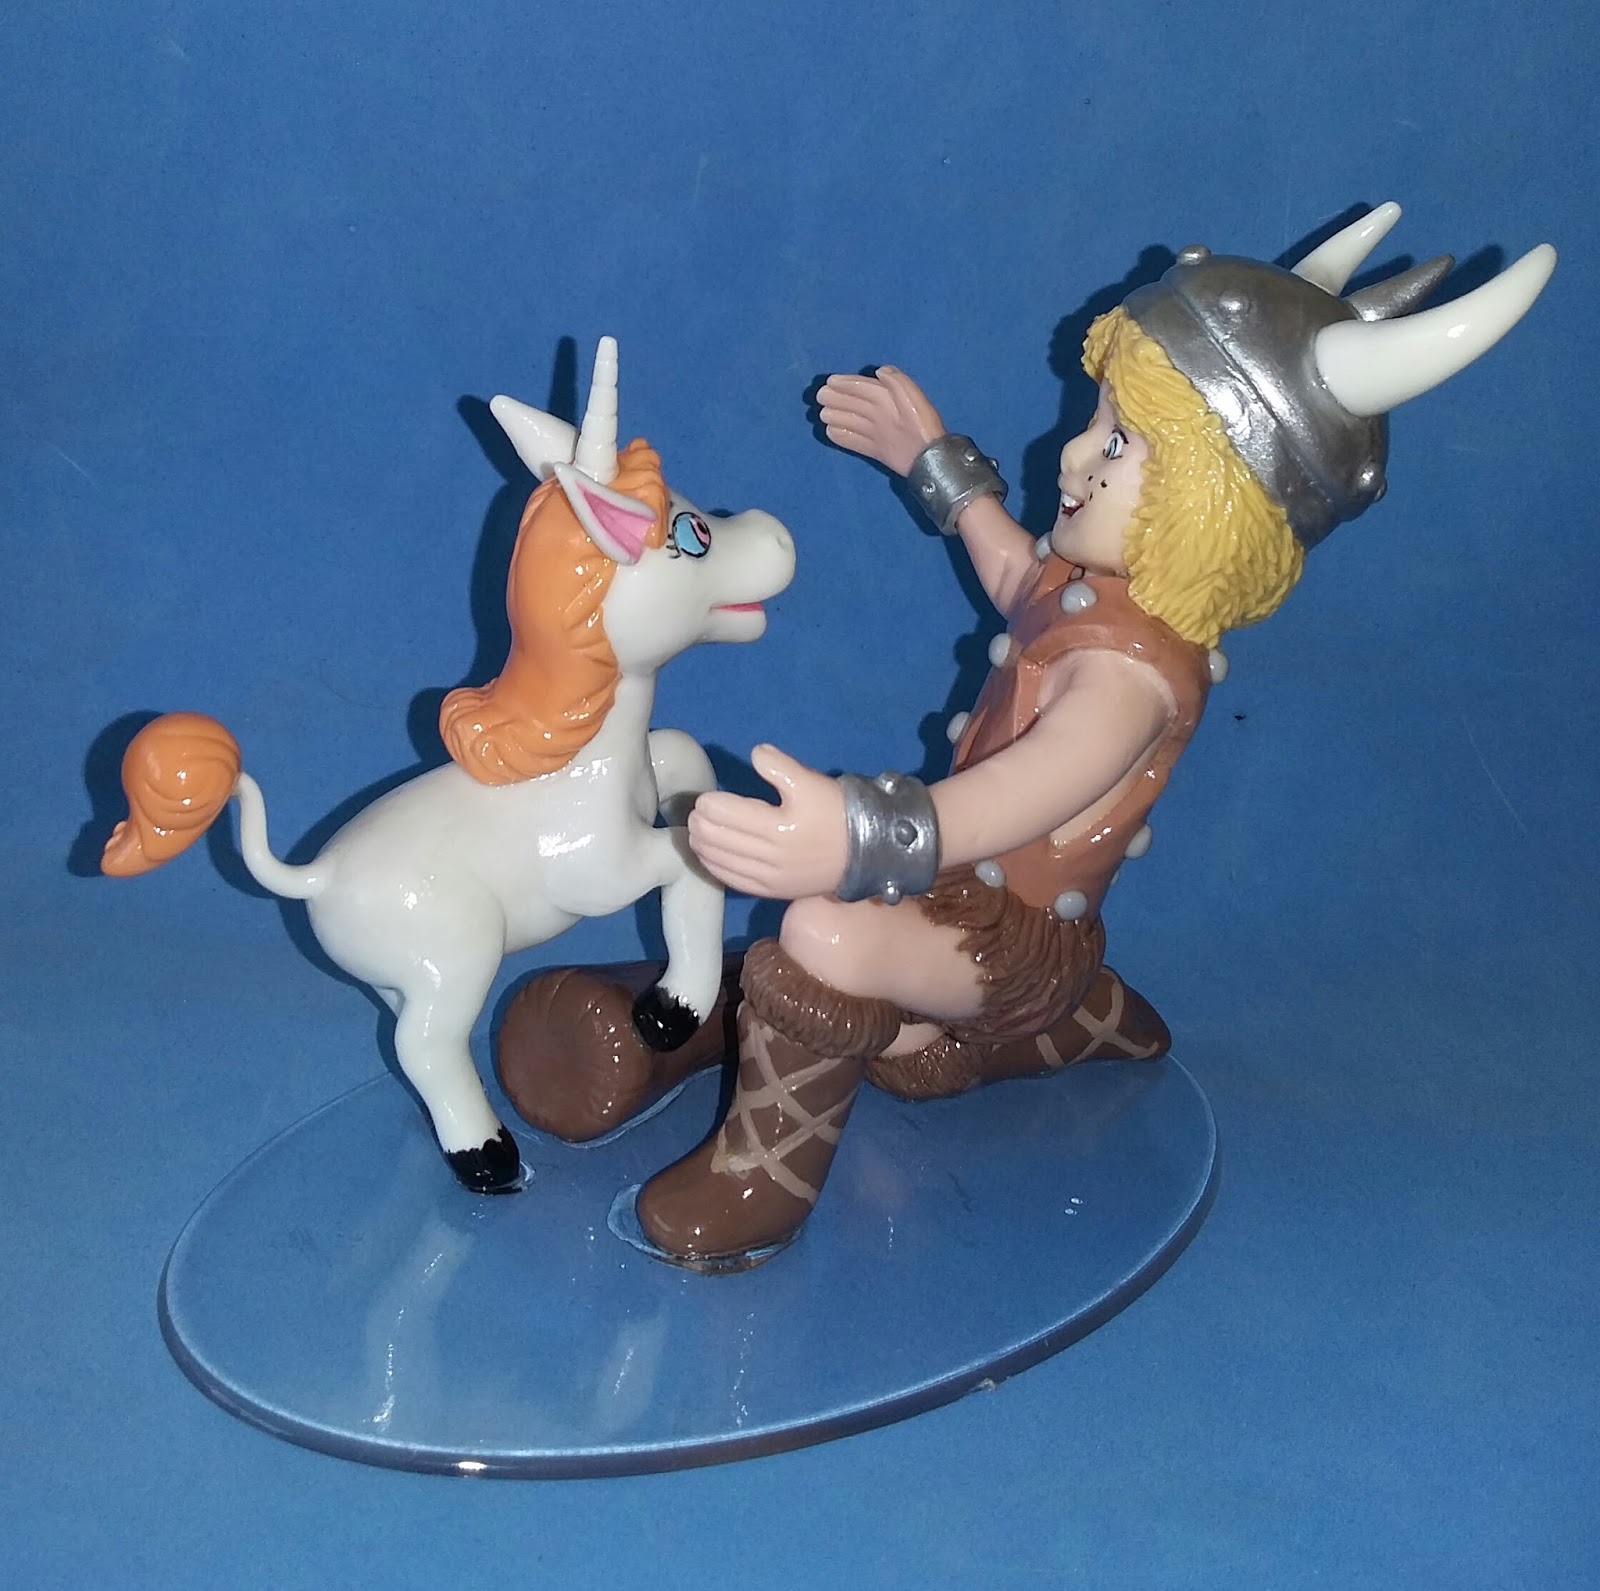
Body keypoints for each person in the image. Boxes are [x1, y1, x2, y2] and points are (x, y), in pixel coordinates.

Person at [506, 205, 1555, 1268]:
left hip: (1011, 939)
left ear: (1207, 507)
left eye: (1119, 440)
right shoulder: (1093, 594)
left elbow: (1028, 790)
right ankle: (754, 1023)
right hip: (954, 891)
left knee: (825, 930)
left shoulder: (1129, 682)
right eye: (1098, 419)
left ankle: (763, 1172)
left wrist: (860, 837)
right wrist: (934, 460)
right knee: (838, 931)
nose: (1074, 452)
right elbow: (1016, 575)